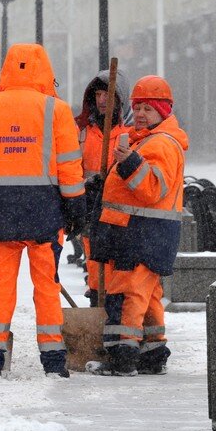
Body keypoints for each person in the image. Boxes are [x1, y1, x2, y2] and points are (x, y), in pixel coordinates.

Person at [0, 43, 85, 379]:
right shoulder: (56, 110)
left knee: (1, 285)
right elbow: (70, 166)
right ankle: (54, 359)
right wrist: (76, 204)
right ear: (46, 71)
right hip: (44, 209)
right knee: (46, 285)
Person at [87, 75, 188, 376]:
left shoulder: (161, 144)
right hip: (140, 232)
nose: (141, 114)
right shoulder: (144, 140)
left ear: (163, 111)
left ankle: (123, 356)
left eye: (149, 109)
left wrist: (129, 163)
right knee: (149, 295)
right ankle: (153, 353)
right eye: (138, 108)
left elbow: (152, 188)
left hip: (141, 233)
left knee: (128, 294)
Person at [74, 68, 132, 306]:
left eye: (108, 94)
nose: (102, 100)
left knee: (117, 266)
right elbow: (71, 168)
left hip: (119, 212)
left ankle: (115, 307)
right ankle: (97, 301)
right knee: (94, 262)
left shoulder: (129, 135)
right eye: (98, 94)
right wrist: (86, 187)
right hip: (90, 207)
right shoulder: (82, 133)